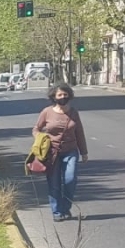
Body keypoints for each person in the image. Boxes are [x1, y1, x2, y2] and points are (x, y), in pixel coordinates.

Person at [33, 83, 88, 221]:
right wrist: (41, 139)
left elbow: (79, 132)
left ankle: (65, 208)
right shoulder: (47, 112)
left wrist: (84, 152)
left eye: (65, 94)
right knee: (54, 183)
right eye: (60, 95)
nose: (63, 97)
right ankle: (57, 212)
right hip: (52, 153)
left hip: (71, 151)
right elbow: (36, 129)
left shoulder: (73, 112)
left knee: (70, 180)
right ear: (54, 97)